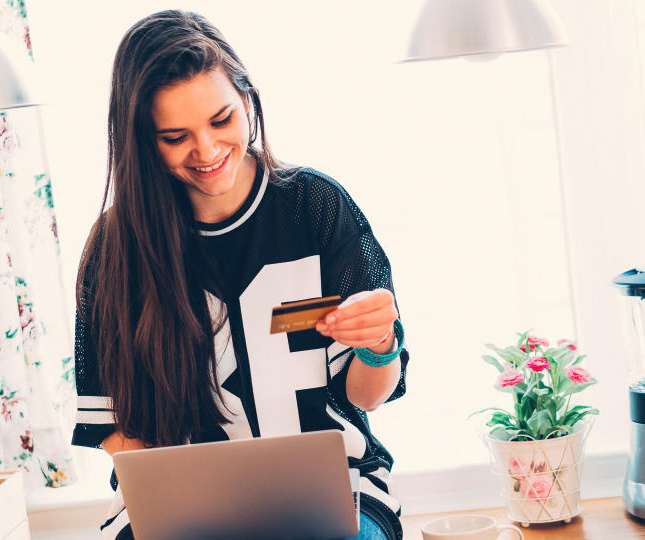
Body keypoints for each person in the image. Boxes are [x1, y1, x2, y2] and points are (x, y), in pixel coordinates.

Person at [72, 10, 410, 540]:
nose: (207, 152)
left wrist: (378, 344)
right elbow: (117, 430)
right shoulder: (115, 252)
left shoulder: (316, 207)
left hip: (338, 496)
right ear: (143, 141)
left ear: (248, 100)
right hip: (181, 517)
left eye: (222, 120)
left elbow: (368, 395)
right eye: (175, 136)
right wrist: (184, 503)